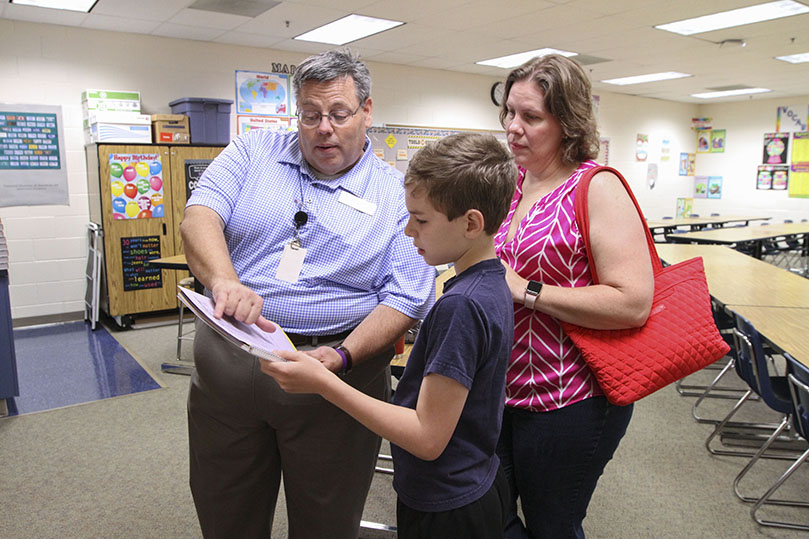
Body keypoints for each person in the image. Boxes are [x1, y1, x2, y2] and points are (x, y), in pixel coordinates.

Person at [180, 48, 435, 539]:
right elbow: (200, 216)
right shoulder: (252, 152)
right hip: (231, 357)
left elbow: (405, 298)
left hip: (337, 371)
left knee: (327, 517)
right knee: (224, 506)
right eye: (311, 114)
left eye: (339, 114)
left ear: (366, 112)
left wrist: (340, 358)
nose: (324, 128)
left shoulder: (397, 194)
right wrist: (224, 281)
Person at [261, 133, 518, 538]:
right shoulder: (489, 283)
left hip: (449, 506)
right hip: (470, 484)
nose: (408, 232)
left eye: (421, 220)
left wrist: (325, 385)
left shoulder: (461, 307)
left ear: (471, 223)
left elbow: (427, 437)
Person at [493, 54, 655, 538]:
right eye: (509, 112)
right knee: (488, 515)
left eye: (531, 117)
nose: (513, 128)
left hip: (571, 399)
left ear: (568, 122)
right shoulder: (517, 182)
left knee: (553, 526)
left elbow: (632, 302)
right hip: (503, 388)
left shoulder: (596, 187)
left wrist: (528, 291)